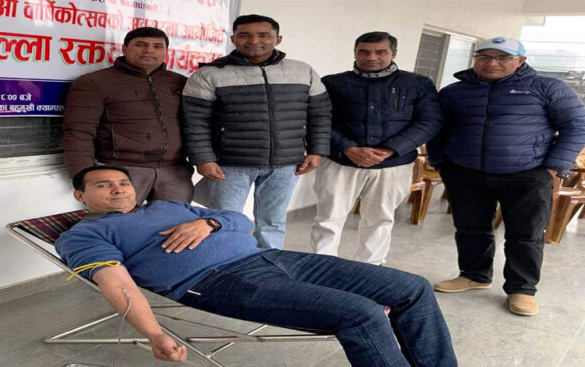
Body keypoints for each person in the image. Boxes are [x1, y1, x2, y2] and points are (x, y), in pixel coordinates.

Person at [54, 165, 515, 367]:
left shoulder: (170, 206)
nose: (117, 190)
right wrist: (155, 333)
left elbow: (239, 220)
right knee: (360, 312)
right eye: (102, 185)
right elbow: (117, 283)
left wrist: (208, 221)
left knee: (410, 287)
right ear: (80, 196)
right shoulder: (85, 234)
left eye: (122, 182)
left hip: (275, 258)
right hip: (218, 282)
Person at [427, 37, 585, 316]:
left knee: (525, 234)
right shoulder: (455, 92)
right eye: (484, 56)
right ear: (475, 59)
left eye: (503, 57)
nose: (492, 63)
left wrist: (553, 166)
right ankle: (474, 275)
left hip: (527, 174)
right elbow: (436, 129)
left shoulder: (547, 87)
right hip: (465, 172)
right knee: (470, 228)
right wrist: (440, 161)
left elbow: (578, 126)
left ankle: (521, 289)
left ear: (521, 61)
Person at [181, 14, 331, 249]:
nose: (254, 41)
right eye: (245, 35)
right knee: (223, 221)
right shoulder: (210, 74)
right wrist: (203, 159)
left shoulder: (303, 71)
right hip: (229, 164)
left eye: (263, 35)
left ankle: (268, 263)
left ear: (278, 39)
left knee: (273, 223)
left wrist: (317, 151)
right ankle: (225, 263)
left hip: (286, 163)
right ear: (233, 39)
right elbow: (194, 121)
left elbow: (320, 115)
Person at [311, 32, 442, 265]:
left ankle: (370, 267)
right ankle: (322, 265)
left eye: (380, 52)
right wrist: (348, 148)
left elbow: (429, 122)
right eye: (364, 52)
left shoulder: (417, 84)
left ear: (394, 53)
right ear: (355, 53)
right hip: (341, 162)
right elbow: (318, 120)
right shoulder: (332, 83)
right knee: (328, 217)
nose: (371, 57)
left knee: (380, 220)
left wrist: (391, 149)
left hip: (393, 165)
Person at [62, 27, 193, 204]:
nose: (149, 50)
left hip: (175, 172)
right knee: (119, 220)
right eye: (140, 44)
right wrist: (83, 175)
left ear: (166, 52)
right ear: (124, 49)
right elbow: (78, 132)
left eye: (157, 46)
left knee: (174, 220)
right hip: (120, 172)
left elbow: (196, 125)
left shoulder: (181, 82)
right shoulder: (94, 82)